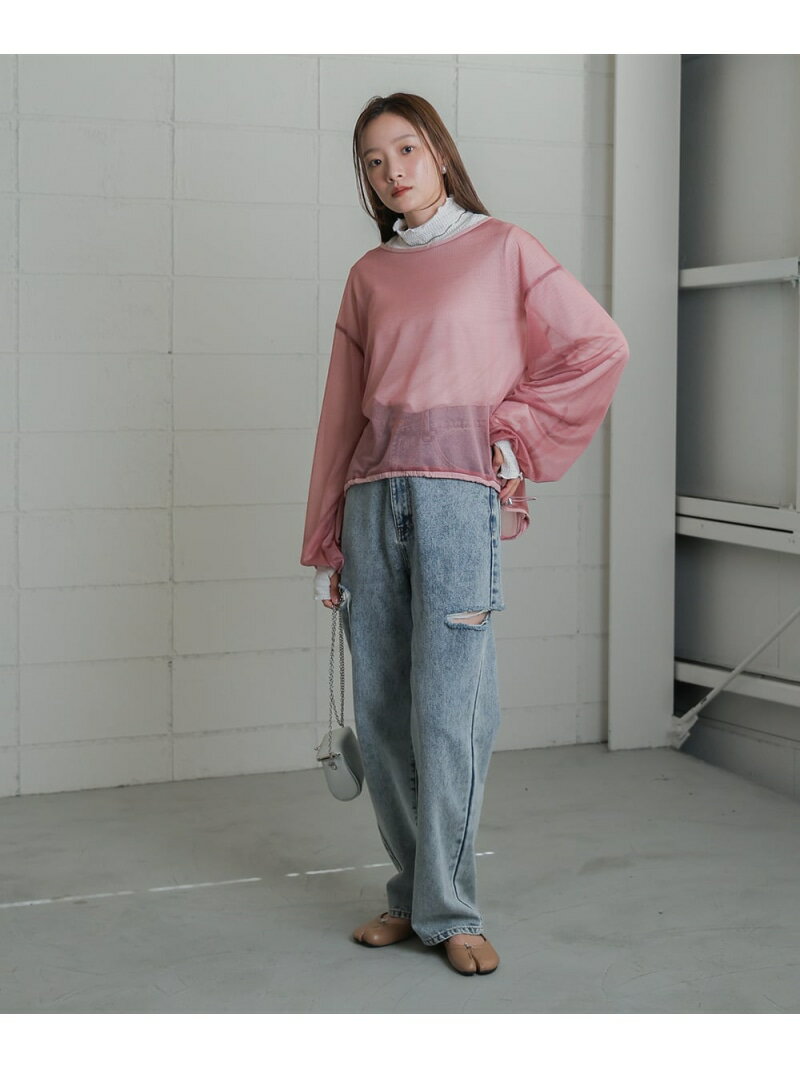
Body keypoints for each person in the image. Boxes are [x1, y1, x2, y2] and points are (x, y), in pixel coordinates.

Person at [300, 92, 630, 976]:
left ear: (440, 153)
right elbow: (341, 413)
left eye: (406, 149)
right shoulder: (369, 276)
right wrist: (325, 533)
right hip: (371, 500)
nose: (393, 171)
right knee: (382, 712)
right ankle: (414, 895)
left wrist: (509, 429)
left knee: (450, 713)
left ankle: (452, 911)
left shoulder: (503, 248)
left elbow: (598, 345)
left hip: (455, 501)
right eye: (374, 161)